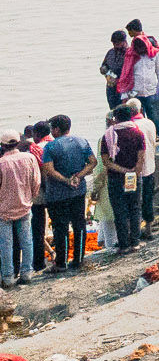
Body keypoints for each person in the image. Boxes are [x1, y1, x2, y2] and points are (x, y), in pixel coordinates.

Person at [38, 116, 94, 273]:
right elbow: (92, 162)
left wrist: (65, 180)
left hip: (57, 194)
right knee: (79, 224)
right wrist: (78, 176)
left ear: (56, 129)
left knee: (60, 227)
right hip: (78, 190)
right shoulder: (81, 141)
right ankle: (79, 260)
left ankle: (61, 263)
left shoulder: (50, 147)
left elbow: (48, 169)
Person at [101, 103, 147, 253]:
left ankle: (124, 244)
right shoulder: (138, 133)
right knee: (134, 208)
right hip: (133, 177)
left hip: (116, 178)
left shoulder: (107, 135)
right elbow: (141, 157)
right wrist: (134, 172)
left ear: (116, 118)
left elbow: (106, 162)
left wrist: (123, 170)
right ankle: (135, 242)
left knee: (119, 211)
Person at [0, 133, 40, 288]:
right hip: (24, 205)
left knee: (5, 244)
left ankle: (8, 277)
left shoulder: (1, 163)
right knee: (26, 241)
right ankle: (27, 273)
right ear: (17, 143)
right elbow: (36, 181)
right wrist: (30, 198)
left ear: (3, 145)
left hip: (4, 210)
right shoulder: (29, 158)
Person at [120, 21, 159, 126]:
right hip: (136, 92)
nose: (140, 50)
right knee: (138, 120)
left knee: (156, 118)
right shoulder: (130, 56)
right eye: (137, 47)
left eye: (142, 47)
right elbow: (126, 75)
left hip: (151, 91)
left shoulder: (154, 54)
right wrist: (125, 94)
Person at [128, 100, 159, 238]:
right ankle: (148, 228)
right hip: (150, 167)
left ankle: (132, 231)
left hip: (132, 170)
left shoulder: (131, 127)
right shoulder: (150, 123)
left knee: (132, 201)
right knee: (148, 198)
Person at [26, 124, 49, 274]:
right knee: (61, 226)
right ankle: (61, 258)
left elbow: (37, 173)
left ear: (36, 134)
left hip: (39, 193)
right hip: (57, 192)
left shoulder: (34, 149)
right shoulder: (52, 144)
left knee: (37, 229)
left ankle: (38, 263)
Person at [99, 30, 128, 110]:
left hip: (124, 88)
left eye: (117, 43)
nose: (115, 45)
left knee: (124, 111)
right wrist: (108, 74)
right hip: (111, 87)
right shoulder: (110, 52)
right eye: (114, 43)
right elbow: (104, 66)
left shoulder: (129, 53)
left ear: (124, 41)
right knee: (113, 110)